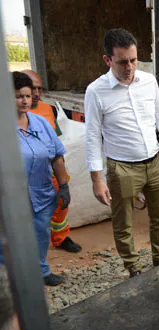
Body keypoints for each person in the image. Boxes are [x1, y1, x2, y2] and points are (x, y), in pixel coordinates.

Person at [85, 28, 159, 278]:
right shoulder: (96, 91)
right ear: (107, 60)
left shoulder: (148, 81)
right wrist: (97, 179)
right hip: (122, 168)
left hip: (154, 161)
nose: (129, 67)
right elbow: (92, 136)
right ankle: (133, 269)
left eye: (133, 60)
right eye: (122, 62)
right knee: (124, 223)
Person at [0, 72, 70, 286]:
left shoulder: (40, 123)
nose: (25, 101)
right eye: (19, 96)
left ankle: (41, 270)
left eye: (28, 96)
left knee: (40, 235)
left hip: (41, 194)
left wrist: (64, 186)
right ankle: (8, 277)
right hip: (10, 198)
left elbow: (57, 156)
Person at [22, 69, 81, 253]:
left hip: (50, 169)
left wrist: (61, 175)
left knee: (61, 205)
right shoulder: (11, 113)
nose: (37, 94)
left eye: (40, 89)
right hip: (28, 174)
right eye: (33, 89)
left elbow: (57, 142)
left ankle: (60, 237)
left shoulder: (47, 109)